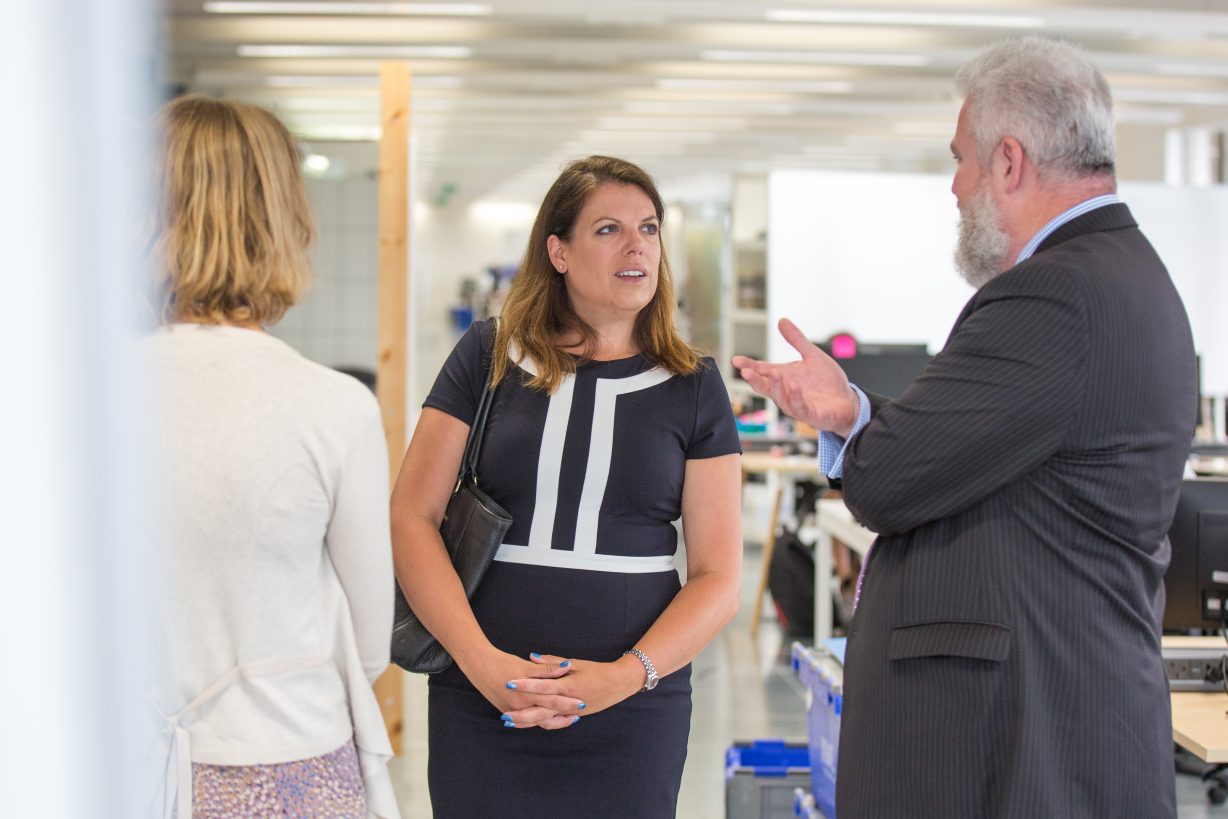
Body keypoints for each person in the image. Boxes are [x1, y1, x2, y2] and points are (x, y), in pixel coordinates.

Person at [735, 36, 1196, 819]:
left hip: (1017, 742)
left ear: (1009, 160)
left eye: (961, 159)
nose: (954, 187)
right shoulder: (1124, 274)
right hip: (1060, 721)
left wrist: (864, 435)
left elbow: (888, 479)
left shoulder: (1052, 296)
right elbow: (968, 452)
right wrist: (851, 412)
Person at [391, 155, 743, 817]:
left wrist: (623, 676)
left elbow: (719, 575)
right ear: (558, 250)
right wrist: (482, 664)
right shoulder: (489, 355)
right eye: (609, 228)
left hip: (634, 709)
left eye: (649, 227)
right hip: (485, 698)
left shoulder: (695, 387)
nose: (638, 244)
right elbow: (413, 514)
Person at [140, 95, 398, 819]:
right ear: (285, 223)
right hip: (288, 767)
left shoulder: (72, 403)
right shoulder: (334, 406)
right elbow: (372, 643)